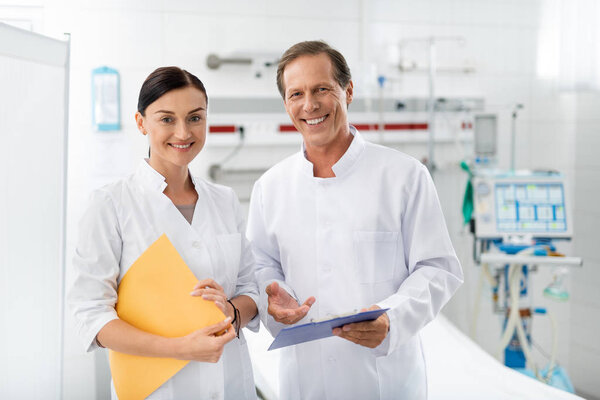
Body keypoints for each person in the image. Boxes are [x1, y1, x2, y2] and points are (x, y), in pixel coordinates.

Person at [246, 41, 464, 399]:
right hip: (304, 380)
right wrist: (274, 294)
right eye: (296, 94)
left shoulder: (403, 177)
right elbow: (260, 265)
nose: (309, 105)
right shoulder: (270, 187)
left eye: (321, 89)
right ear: (286, 104)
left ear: (348, 91)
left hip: (385, 381)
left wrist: (392, 318)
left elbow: (438, 268)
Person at [69, 66, 259, 399]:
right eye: (167, 119)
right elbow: (92, 315)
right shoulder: (111, 204)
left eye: (195, 118)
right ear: (141, 122)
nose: (183, 132)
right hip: (158, 390)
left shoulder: (225, 200)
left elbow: (250, 289)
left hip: (231, 385)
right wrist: (180, 348)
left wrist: (230, 310)